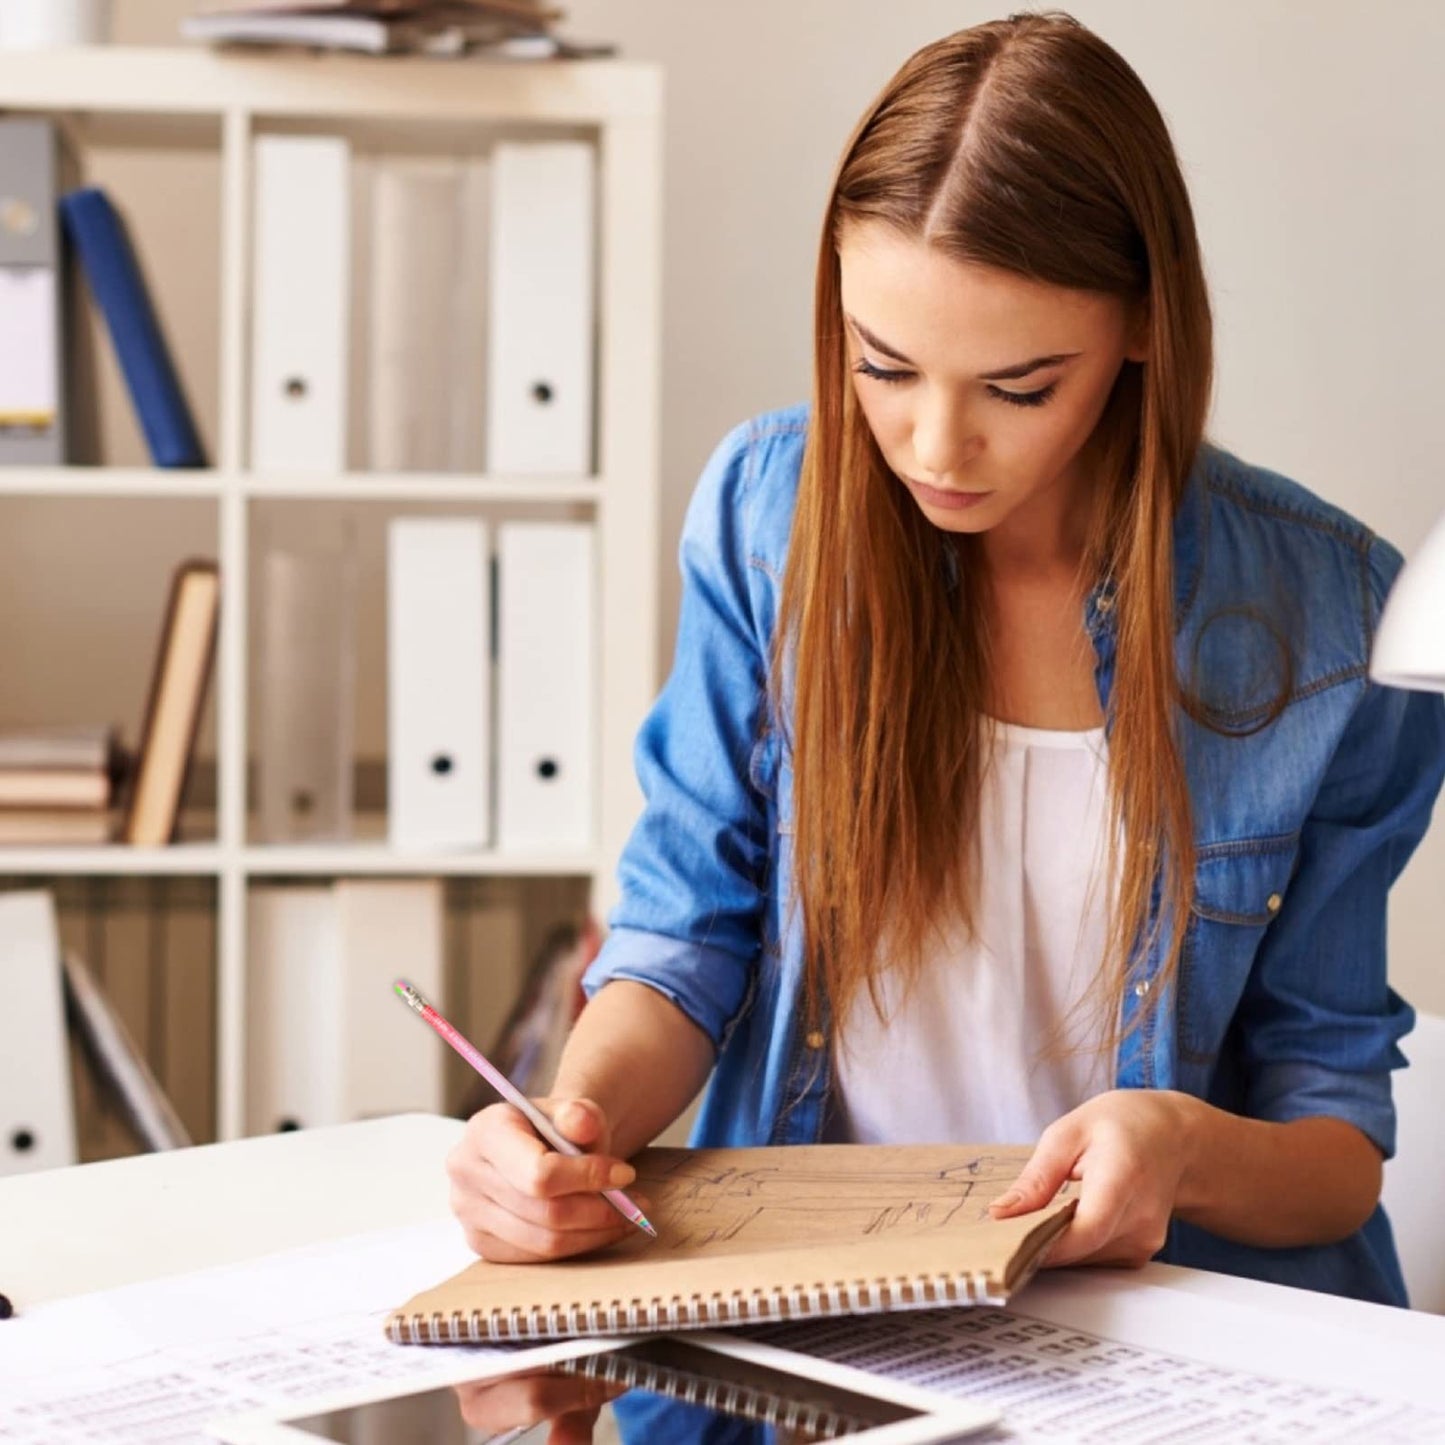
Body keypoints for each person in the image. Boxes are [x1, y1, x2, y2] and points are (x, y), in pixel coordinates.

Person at [447, 10, 1445, 1310]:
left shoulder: (1333, 618)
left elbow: (1332, 1155)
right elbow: (679, 945)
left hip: (1170, 1344)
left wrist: (1178, 1144)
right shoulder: (768, 517)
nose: (933, 446)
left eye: (1016, 387)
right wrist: (563, 1130)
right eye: (883, 366)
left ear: (1142, 326)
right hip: (823, 1322)